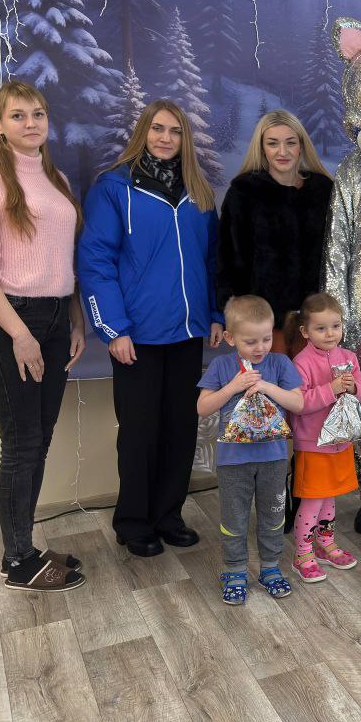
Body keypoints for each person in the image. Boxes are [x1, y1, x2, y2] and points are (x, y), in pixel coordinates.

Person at [0, 81, 86, 592]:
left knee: (39, 440)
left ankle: (25, 545)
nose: (31, 123)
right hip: (7, 322)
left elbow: (64, 259)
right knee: (21, 443)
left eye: (38, 114)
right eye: (18, 115)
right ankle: (18, 561)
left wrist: (74, 318)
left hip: (53, 319)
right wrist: (20, 334)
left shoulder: (55, 179)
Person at [77, 100, 224, 558]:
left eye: (175, 131)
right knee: (139, 432)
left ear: (185, 139)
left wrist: (216, 313)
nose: (165, 138)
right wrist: (114, 329)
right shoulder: (114, 188)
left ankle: (168, 515)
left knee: (181, 429)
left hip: (187, 334)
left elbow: (213, 260)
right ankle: (134, 521)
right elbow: (96, 262)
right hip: (136, 336)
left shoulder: (199, 193)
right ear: (143, 132)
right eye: (158, 129)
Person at [197, 295, 304, 604]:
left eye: (266, 339)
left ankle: (270, 567)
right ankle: (234, 571)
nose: (260, 348)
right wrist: (233, 387)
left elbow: (298, 403)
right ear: (230, 338)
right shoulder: (221, 365)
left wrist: (267, 387)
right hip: (233, 461)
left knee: (273, 515)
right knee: (234, 519)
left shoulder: (280, 363)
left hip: (273, 459)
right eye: (250, 341)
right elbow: (202, 407)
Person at [216, 110, 333, 353]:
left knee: (315, 379)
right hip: (263, 324)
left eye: (290, 143)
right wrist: (234, 311)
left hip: (317, 321)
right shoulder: (244, 192)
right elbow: (227, 258)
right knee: (271, 378)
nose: (282, 151)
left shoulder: (323, 191)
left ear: (301, 146)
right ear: (262, 148)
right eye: (272, 143)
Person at [286, 293, 361, 582]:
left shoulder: (348, 357)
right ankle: (302, 553)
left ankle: (325, 543)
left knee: (329, 497)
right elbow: (299, 403)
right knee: (313, 500)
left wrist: (353, 388)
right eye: (321, 328)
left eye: (335, 326)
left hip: (341, 441)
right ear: (305, 331)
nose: (330, 333)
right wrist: (331, 388)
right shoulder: (301, 362)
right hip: (313, 444)